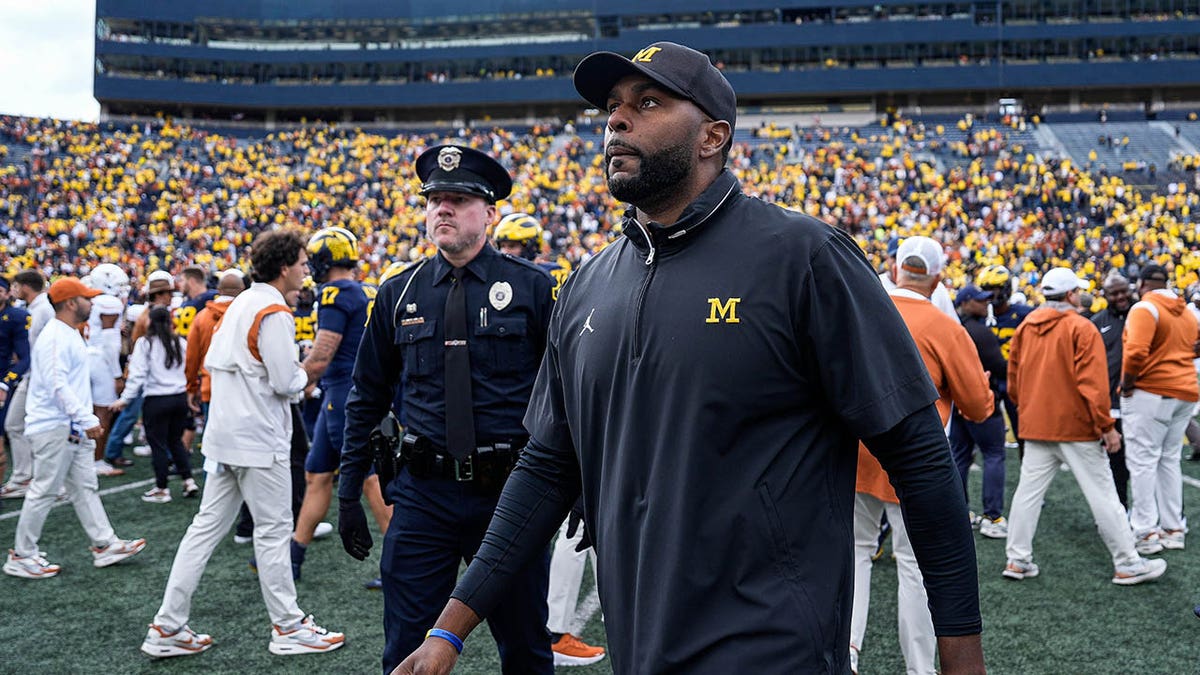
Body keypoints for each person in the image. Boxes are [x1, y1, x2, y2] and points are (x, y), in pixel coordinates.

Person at [394, 42, 984, 675]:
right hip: (639, 647)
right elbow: (545, 468)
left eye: (647, 103)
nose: (617, 121)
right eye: (613, 108)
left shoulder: (802, 257)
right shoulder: (587, 284)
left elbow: (920, 456)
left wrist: (962, 657)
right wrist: (449, 631)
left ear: (712, 136)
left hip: (774, 650)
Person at [338, 144, 557, 674]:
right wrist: (349, 488)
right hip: (424, 496)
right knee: (407, 650)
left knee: (526, 646)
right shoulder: (397, 292)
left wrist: (581, 488)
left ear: (489, 213)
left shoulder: (532, 287)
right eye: (435, 199)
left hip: (510, 495)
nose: (442, 209)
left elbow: (565, 397)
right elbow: (367, 394)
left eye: (458, 199)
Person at [141, 229, 344, 658]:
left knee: (204, 530)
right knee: (272, 532)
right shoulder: (272, 309)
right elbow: (285, 381)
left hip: (225, 435)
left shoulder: (240, 303)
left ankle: (167, 625)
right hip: (257, 437)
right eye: (303, 263)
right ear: (285, 265)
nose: (307, 270)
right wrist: (310, 370)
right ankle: (288, 627)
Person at [851, 237, 993, 675]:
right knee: (914, 564)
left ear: (896, 268)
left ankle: (846, 652)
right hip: (915, 458)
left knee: (853, 552)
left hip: (853, 449)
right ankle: (919, 666)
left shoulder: (858, 305)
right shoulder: (944, 327)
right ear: (936, 278)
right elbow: (979, 406)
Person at [1004, 267, 1166, 586]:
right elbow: (1092, 384)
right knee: (1104, 495)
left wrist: (1030, 409)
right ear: (1070, 295)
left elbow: (1014, 382)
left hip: (1036, 423)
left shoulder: (1026, 327)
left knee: (1027, 494)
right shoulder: (1082, 327)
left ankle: (1017, 559)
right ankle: (1127, 562)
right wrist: (1106, 427)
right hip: (1075, 426)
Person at [496, 216, 605, 666]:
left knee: (583, 525)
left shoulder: (525, 282)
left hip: (543, 413)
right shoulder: (543, 280)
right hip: (554, 418)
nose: (511, 253)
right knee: (571, 527)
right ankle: (556, 627)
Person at [3, 278, 145, 579]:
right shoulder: (56, 336)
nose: (91, 303)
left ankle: (104, 544)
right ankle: (22, 555)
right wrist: (88, 418)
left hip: (67, 426)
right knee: (44, 490)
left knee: (84, 487)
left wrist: (81, 421)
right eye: (86, 298)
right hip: (55, 426)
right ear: (70, 302)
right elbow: (57, 385)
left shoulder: (66, 333)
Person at [290, 226, 390, 583]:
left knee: (369, 479)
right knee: (317, 476)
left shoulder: (334, 292)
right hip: (351, 393)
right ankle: (294, 557)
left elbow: (322, 355)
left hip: (344, 396)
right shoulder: (367, 289)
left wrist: (294, 382)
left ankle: (401, 562)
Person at [1120, 263, 1199, 553]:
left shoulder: (1144, 308)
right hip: (1186, 390)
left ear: (1141, 284)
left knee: (1142, 460)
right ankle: (1173, 527)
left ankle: (1145, 531)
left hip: (1152, 391)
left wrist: (1128, 384)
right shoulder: (1186, 311)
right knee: (1168, 458)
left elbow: (1136, 351)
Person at [111, 306, 197, 503]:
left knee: (158, 445)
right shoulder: (180, 342)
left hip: (157, 399)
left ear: (150, 321)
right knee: (175, 441)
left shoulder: (145, 343)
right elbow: (189, 368)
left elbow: (137, 375)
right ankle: (188, 480)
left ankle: (162, 488)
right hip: (179, 397)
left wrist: (125, 399)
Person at [949, 284, 1009, 536]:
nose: (987, 304)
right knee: (994, 454)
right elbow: (1001, 368)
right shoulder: (979, 331)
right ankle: (992, 517)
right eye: (980, 300)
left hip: (957, 400)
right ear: (965, 303)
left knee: (960, 456)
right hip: (982, 401)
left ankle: (961, 512)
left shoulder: (952, 328)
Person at [103, 271, 173, 465]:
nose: (170, 297)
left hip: (145, 369)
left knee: (143, 414)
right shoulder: (151, 316)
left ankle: (116, 449)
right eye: (167, 293)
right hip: (145, 370)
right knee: (132, 412)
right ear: (159, 295)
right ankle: (113, 450)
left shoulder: (149, 313)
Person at [0, 270, 53, 500]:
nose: (14, 291)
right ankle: (25, 476)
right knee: (18, 425)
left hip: (40, 376)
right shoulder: (35, 309)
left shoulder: (42, 310)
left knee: (41, 428)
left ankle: (44, 481)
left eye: (16, 286)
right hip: (33, 375)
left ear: (25, 286)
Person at [977, 264, 1033, 454]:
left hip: (1015, 379)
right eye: (986, 290)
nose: (990, 295)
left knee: (1023, 431)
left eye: (994, 289)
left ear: (1006, 288)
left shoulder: (1024, 314)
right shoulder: (979, 317)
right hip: (987, 380)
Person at [1090, 273, 1135, 506]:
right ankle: (1119, 511)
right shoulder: (1097, 322)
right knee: (1114, 464)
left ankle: (1147, 518)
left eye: (1123, 291)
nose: (1120, 296)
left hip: (1140, 401)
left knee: (1140, 463)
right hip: (1110, 405)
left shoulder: (1142, 314)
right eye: (1114, 293)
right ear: (1105, 295)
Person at [185, 270, 247, 422]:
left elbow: (192, 356)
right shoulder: (249, 314)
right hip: (244, 389)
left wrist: (191, 388)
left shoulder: (202, 317)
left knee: (213, 441)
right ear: (243, 290)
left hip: (211, 386)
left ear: (219, 290)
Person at [879, 238, 957, 319]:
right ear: (887, 258)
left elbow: (952, 320)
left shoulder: (939, 289)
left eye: (908, 259)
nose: (900, 261)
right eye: (895, 257)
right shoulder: (877, 284)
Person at [0, 277, 30, 484]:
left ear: (7, 293)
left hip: (2, 380)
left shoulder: (16, 317)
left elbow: (25, 357)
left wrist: (5, 382)